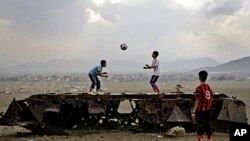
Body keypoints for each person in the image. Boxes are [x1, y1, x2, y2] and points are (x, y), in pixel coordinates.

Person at [191, 70, 213, 141]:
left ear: (199, 77)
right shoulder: (208, 87)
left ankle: (200, 139)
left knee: (201, 126)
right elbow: (211, 96)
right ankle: (210, 139)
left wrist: (193, 112)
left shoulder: (199, 88)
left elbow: (197, 101)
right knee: (208, 125)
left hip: (201, 110)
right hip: (208, 109)